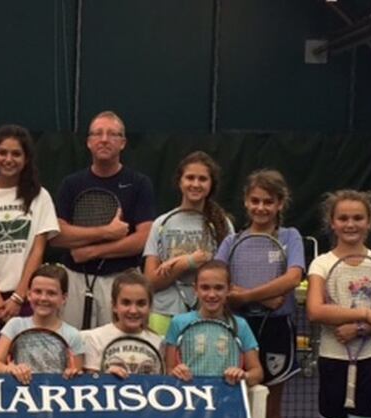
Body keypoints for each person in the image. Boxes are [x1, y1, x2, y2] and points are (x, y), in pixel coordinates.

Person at [214, 169, 304, 418]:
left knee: (271, 408)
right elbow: (218, 280)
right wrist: (262, 297)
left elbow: (293, 277)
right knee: (231, 402)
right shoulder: (232, 241)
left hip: (276, 330)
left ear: (279, 204)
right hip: (236, 329)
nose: (261, 207)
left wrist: (245, 294)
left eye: (268, 201)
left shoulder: (290, 237)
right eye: (255, 200)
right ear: (245, 201)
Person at [51, 111, 155, 329]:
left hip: (122, 281)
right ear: (89, 142)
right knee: (74, 348)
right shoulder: (71, 184)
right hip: (75, 279)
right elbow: (58, 235)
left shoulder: (139, 183)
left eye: (112, 134)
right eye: (98, 134)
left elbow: (144, 238)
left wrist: (91, 251)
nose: (104, 139)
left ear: (123, 143)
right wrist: (107, 232)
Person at [306, 190, 371, 418]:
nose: (350, 224)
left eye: (358, 218)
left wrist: (359, 329)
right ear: (332, 223)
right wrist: (368, 314)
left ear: (369, 222)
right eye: (343, 218)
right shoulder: (321, 264)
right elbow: (315, 311)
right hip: (333, 357)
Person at [0, 124, 59, 368]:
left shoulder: (40, 196)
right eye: (3, 153)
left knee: (26, 367)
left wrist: (18, 297)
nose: (9, 159)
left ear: (26, 158)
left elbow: (37, 251)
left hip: (27, 298)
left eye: (16, 154)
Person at [143, 151, 233, 335]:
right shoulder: (161, 223)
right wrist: (186, 262)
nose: (195, 184)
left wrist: (176, 263)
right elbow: (150, 282)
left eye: (202, 179)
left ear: (211, 184)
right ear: (180, 181)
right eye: (190, 178)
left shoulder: (223, 224)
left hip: (208, 314)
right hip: (163, 313)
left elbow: (225, 274)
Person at [165, 260, 264, 386]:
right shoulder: (178, 323)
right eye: (205, 287)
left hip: (227, 397)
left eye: (219, 288)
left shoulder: (241, 325)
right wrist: (176, 372)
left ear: (229, 289)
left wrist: (243, 375)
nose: (212, 294)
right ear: (195, 289)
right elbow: (168, 370)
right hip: (189, 395)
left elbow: (257, 373)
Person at [0, 264, 84, 384]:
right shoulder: (15, 325)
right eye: (38, 291)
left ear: (63, 298)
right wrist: (11, 369)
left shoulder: (73, 335)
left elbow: (77, 379)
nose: (43, 298)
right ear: (29, 295)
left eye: (51, 293)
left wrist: (72, 374)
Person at [82, 269, 163, 378]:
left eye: (141, 304)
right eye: (126, 303)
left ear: (150, 307)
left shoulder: (159, 343)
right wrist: (106, 376)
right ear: (114, 306)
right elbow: (90, 384)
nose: (133, 310)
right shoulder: (94, 338)